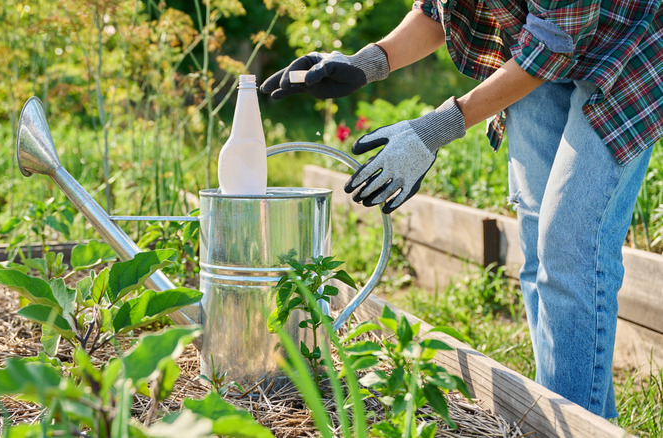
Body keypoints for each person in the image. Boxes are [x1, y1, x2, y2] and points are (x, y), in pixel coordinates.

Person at [260, 0, 662, 419]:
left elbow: (553, 46)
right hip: (539, 44)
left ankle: (576, 428)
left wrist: (434, 130)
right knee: (538, 242)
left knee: (569, 246)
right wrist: (366, 63)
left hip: (624, 53)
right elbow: (438, 10)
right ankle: (570, 418)